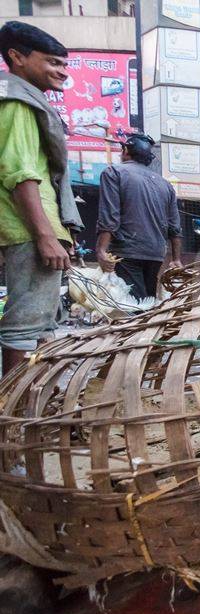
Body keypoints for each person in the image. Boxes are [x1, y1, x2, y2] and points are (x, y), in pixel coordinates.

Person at [0, 22, 83, 376]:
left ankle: (35, 398)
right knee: (26, 323)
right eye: (52, 62)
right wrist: (45, 235)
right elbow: (20, 175)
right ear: (16, 57)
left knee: (44, 321)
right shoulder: (17, 103)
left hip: (36, 229)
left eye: (64, 65)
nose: (61, 72)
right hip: (29, 230)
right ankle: (15, 414)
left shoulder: (28, 98)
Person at [95, 133, 182, 300]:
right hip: (156, 254)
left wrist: (101, 250)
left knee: (133, 306)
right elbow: (175, 227)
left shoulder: (114, 173)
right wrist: (176, 259)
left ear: (126, 150)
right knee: (147, 301)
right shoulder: (165, 184)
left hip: (127, 251)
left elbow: (110, 217)